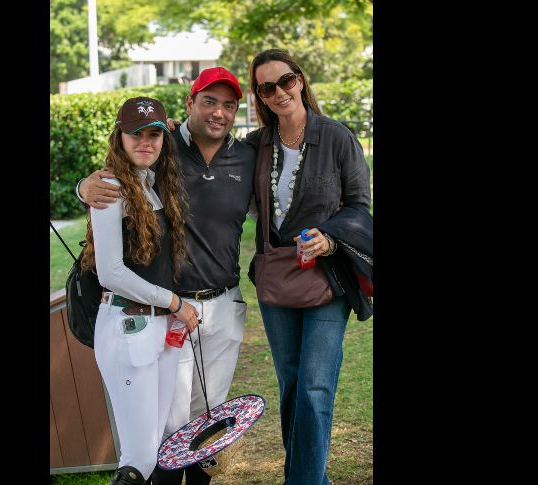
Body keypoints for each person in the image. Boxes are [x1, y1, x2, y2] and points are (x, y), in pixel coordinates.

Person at [78, 67, 257, 484]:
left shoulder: (240, 156)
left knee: (204, 422)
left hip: (214, 307)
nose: (218, 112)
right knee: (156, 438)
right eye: (208, 101)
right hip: (162, 312)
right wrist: (84, 188)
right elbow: (111, 261)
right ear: (189, 103)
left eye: (228, 104)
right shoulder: (151, 160)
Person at [244, 48, 373, 485]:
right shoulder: (255, 146)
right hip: (278, 277)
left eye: (286, 81)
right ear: (259, 96)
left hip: (326, 278)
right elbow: (203, 159)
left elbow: (360, 206)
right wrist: (173, 132)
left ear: (300, 80)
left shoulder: (337, 137)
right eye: (267, 87)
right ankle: (307, 474)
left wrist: (331, 237)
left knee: (316, 385)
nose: (279, 92)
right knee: (292, 385)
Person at [79, 96, 200, 485]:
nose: (145, 142)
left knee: (161, 443)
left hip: (158, 330)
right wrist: (175, 302)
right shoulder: (109, 187)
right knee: (141, 455)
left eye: (154, 135)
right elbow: (111, 273)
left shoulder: (152, 184)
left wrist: (172, 309)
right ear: (120, 137)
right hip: (127, 328)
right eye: (136, 134)